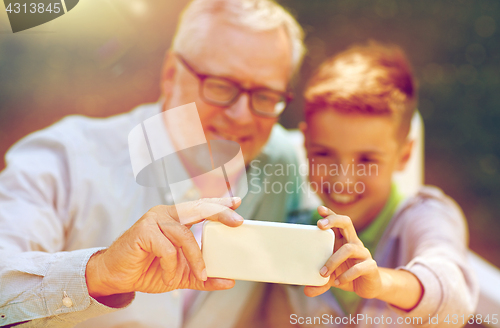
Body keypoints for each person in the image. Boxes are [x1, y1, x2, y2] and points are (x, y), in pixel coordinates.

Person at [0, 0, 306, 327]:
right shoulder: (62, 160)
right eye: (222, 86)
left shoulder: (293, 163)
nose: (242, 115)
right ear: (171, 74)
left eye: (264, 96)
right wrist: (101, 273)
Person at [297, 41, 479, 326]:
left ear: (404, 155)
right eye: (323, 154)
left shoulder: (426, 215)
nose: (344, 180)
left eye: (367, 160)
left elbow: (455, 298)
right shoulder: (293, 229)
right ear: (305, 145)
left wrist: (380, 281)